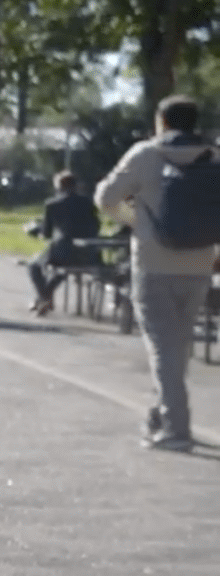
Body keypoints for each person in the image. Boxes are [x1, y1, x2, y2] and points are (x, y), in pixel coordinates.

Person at [96, 95, 218, 451]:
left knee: (163, 346)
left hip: (154, 260)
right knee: (178, 344)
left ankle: (176, 429)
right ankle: (160, 414)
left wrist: (137, 222)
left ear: (161, 121)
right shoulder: (214, 157)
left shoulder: (146, 154)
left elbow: (105, 198)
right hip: (200, 262)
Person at [23, 171, 102, 318]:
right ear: (76, 186)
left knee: (34, 266)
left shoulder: (52, 204)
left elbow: (46, 233)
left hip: (64, 252)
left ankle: (44, 297)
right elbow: (97, 226)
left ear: (59, 187)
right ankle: (45, 298)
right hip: (89, 254)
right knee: (60, 271)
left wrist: (34, 229)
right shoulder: (88, 203)